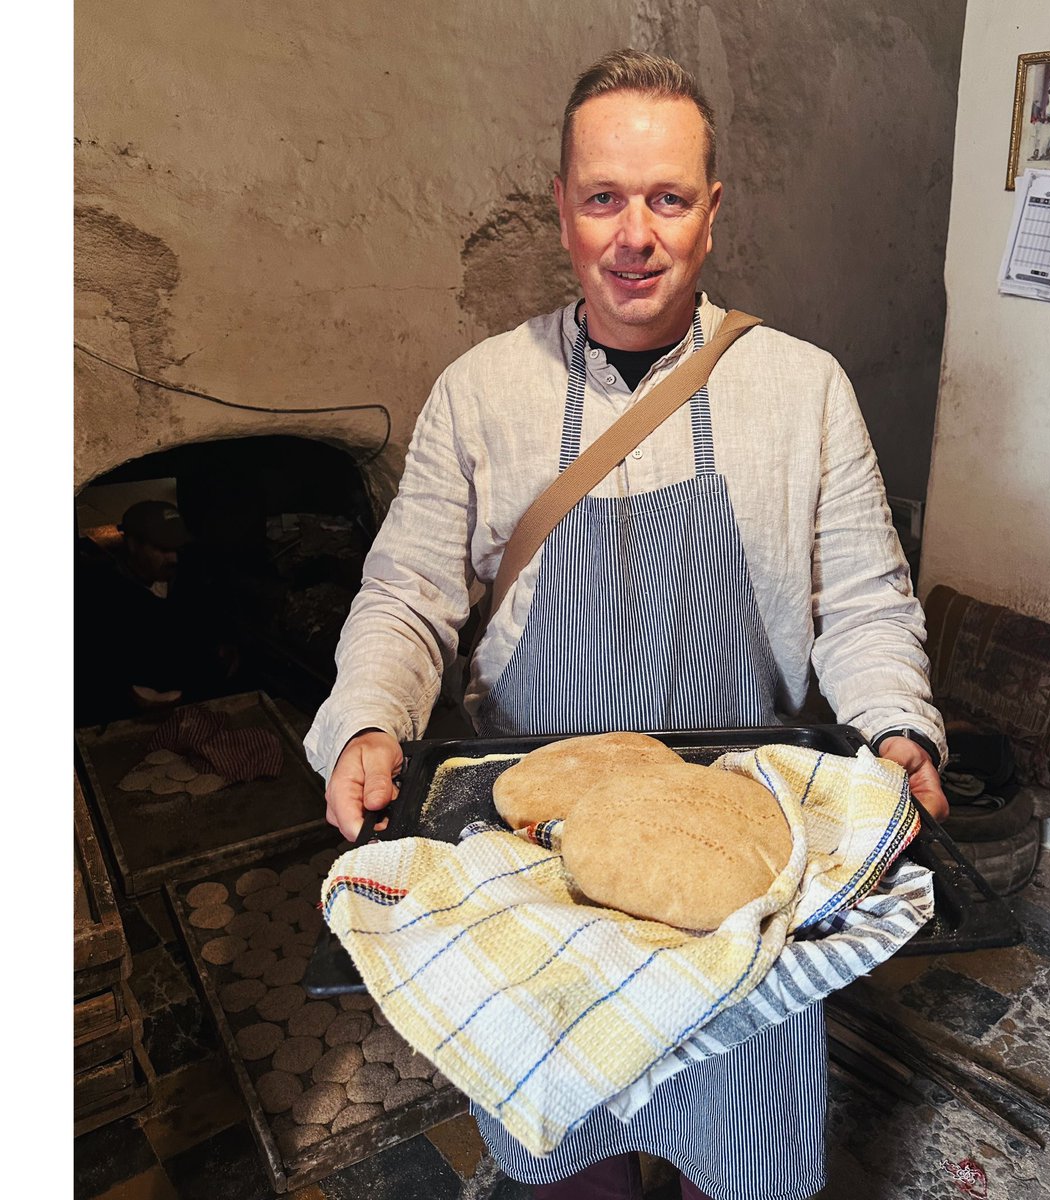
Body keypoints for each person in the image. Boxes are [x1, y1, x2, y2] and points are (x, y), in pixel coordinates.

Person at [306, 48, 948, 1200]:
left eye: (667, 199)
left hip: (742, 885)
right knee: (570, 1162)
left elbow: (862, 600)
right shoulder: (481, 393)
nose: (634, 235)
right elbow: (406, 593)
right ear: (562, 208)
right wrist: (367, 720)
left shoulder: (802, 391)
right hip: (541, 880)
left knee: (737, 1158)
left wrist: (899, 729)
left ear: (713, 209)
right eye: (604, 198)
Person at [75, 499, 239, 723]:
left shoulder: (188, 577)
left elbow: (207, 622)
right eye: (162, 549)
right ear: (133, 544)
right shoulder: (101, 597)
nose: (174, 558)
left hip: (199, 705)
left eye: (176, 549)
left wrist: (223, 646)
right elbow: (97, 671)